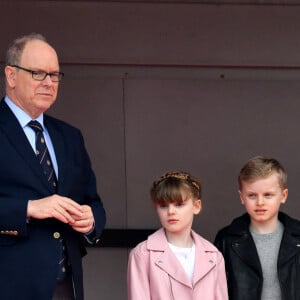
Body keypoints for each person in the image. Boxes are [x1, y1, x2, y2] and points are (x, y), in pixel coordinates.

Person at [0, 33, 106, 300]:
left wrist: (91, 219)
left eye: (55, 75)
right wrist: (29, 208)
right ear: (11, 76)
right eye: (38, 73)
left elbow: (94, 202)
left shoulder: (69, 136)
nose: (49, 83)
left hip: (65, 285)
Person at [127, 171, 228, 300]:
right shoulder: (142, 255)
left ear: (196, 206)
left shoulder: (214, 256)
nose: (171, 211)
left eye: (179, 204)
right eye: (163, 206)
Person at [214, 156, 300, 300]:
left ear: (283, 196)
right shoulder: (226, 240)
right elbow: (215, 290)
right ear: (242, 197)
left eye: (268, 195)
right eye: (252, 195)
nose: (260, 202)